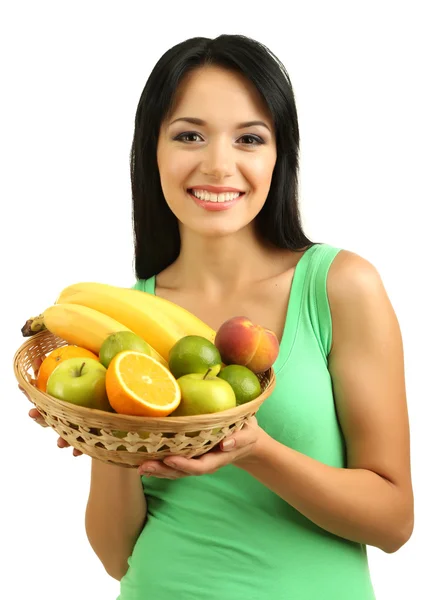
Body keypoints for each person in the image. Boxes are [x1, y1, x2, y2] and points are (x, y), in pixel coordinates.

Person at [27, 34, 414, 600]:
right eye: (189, 135)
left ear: (279, 154)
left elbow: (394, 523)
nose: (217, 165)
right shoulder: (121, 321)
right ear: (151, 149)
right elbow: (116, 557)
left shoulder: (337, 286)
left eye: (249, 138)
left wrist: (256, 451)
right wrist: (109, 437)